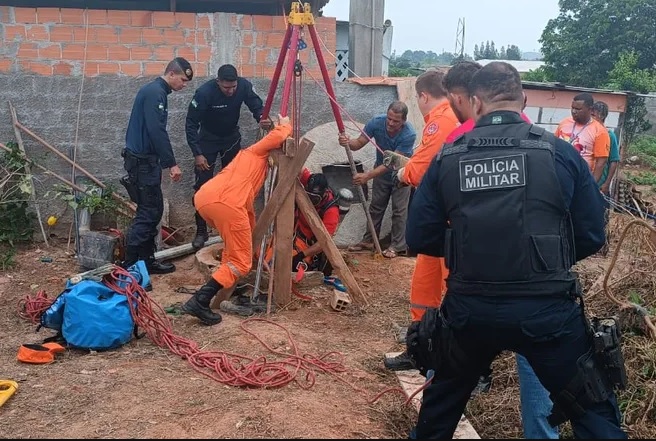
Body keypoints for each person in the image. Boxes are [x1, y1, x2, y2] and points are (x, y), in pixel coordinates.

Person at [406, 61, 626, 439]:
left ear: (475, 104)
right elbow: (592, 233)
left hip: (468, 312)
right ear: (522, 99)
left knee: (437, 415)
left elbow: (419, 236)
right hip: (546, 313)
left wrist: (474, 251)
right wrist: (540, 259)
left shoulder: (448, 156)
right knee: (593, 411)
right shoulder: (558, 153)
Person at [380, 70, 459, 371]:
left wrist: (403, 172)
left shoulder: (441, 120)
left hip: (450, 225)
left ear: (423, 96)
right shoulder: (448, 118)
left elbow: (422, 171)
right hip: (438, 225)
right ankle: (419, 347)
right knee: (424, 287)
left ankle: (449, 360)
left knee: (449, 291)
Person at [181, 115, 292, 326]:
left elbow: (247, 210)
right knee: (241, 263)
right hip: (227, 204)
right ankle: (200, 300)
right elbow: (278, 135)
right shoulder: (255, 152)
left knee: (232, 254)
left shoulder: (248, 166)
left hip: (206, 200)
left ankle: (207, 299)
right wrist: (286, 123)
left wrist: (252, 243)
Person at [185, 63, 270, 250]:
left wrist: (262, 117)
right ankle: (201, 230)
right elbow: (191, 123)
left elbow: (257, 106)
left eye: (233, 87)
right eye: (226, 88)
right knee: (202, 186)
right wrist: (197, 153)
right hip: (207, 141)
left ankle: (232, 226)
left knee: (234, 185)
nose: (231, 91)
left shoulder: (244, 86)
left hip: (230, 139)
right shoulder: (204, 93)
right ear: (218, 82)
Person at [120, 57, 192, 274]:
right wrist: (172, 163)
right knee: (149, 213)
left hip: (145, 163)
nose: (184, 85)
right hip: (142, 163)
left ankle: (146, 261)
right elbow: (156, 130)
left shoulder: (157, 91)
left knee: (152, 210)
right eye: (182, 80)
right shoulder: (155, 93)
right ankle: (131, 266)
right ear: (171, 74)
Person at [338, 101, 416, 258]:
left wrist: (367, 176)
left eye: (396, 121)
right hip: (381, 173)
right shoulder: (376, 122)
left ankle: (398, 246)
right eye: (389, 118)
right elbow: (358, 143)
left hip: (402, 173)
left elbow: (392, 163)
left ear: (403, 121)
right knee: (376, 208)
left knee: (399, 211)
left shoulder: (409, 134)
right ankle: (369, 241)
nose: (391, 123)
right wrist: (347, 142)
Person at [555, 93, 610, 182]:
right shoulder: (564, 123)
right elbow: (553, 145)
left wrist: (592, 186)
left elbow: (601, 162)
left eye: (578, 109)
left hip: (580, 179)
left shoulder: (600, 131)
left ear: (590, 109)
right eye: (572, 108)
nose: (573, 111)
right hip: (558, 176)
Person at [591, 101, 620, 196]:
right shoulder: (588, 133)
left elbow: (613, 161)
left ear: (602, 116)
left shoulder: (609, 135)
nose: (591, 119)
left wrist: (607, 184)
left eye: (593, 115)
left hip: (599, 183)